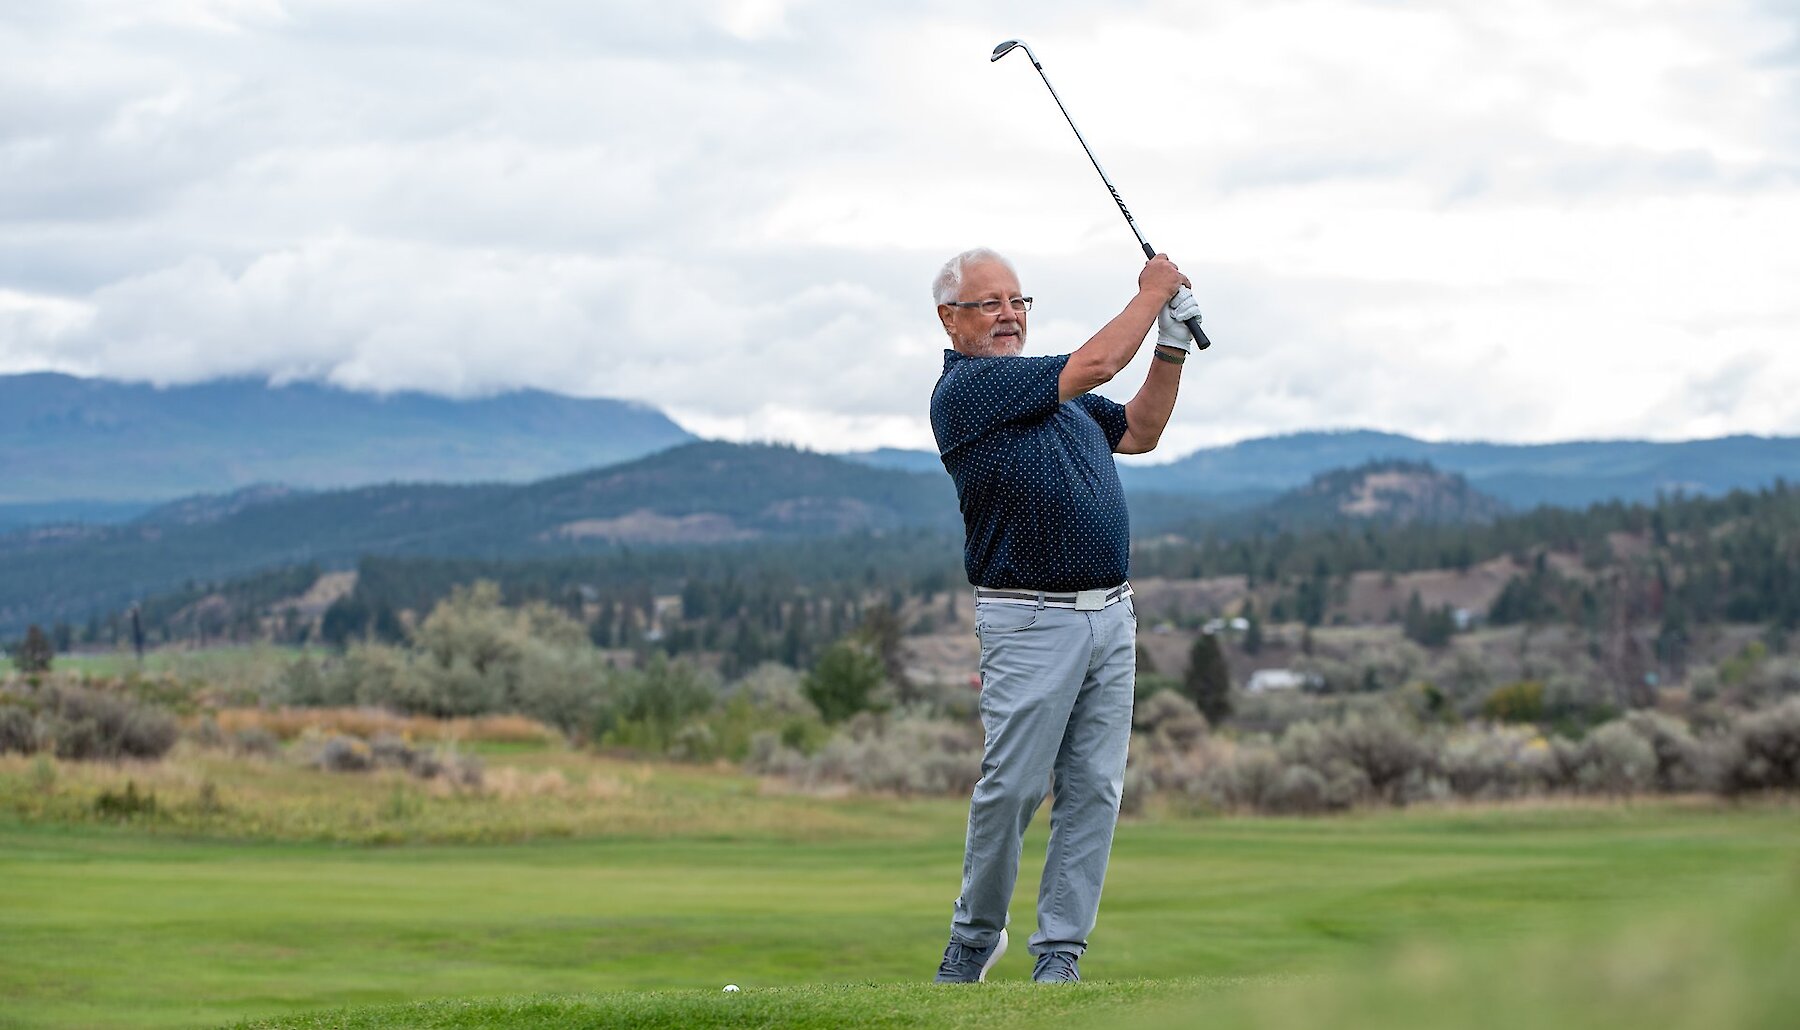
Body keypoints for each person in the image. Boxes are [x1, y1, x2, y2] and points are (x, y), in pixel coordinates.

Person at [928, 247, 1200, 983]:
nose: (1009, 315)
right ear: (950, 321)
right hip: (1027, 619)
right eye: (989, 304)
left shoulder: (1061, 395)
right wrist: (1152, 293)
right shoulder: (970, 390)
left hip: (1111, 617)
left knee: (1094, 789)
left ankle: (1060, 958)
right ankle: (974, 940)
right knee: (1013, 788)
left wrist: (1171, 342)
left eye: (1018, 301)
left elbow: (1140, 430)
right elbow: (1100, 363)